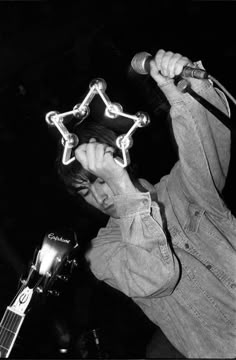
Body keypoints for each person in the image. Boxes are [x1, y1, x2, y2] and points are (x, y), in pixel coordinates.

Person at [56, 49, 236, 358]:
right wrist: (119, 186)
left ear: (121, 157)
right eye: (85, 192)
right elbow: (157, 278)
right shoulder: (103, 252)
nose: (99, 198)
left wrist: (180, 89)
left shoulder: (180, 188)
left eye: (99, 180)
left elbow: (210, 144)